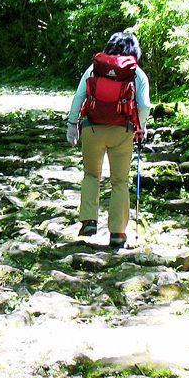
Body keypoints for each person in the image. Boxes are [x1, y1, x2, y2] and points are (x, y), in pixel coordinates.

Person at [66, 32, 151, 249]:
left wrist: (71, 124)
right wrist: (139, 127)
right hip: (122, 131)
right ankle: (118, 234)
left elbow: (79, 97)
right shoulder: (136, 73)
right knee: (120, 181)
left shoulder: (95, 68)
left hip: (93, 128)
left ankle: (89, 221)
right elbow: (144, 105)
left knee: (91, 174)